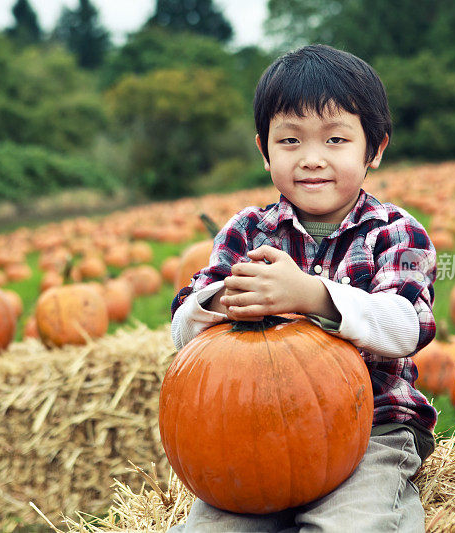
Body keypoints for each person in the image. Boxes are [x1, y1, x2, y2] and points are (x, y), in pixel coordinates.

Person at [168, 43, 437, 533]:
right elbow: (183, 332)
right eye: (290, 141)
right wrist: (224, 302)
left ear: (374, 150)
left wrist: (312, 296)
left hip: (372, 428)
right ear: (264, 152)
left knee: (352, 525)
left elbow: (407, 326)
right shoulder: (245, 232)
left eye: (335, 140)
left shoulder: (395, 233)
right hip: (254, 432)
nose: (312, 159)